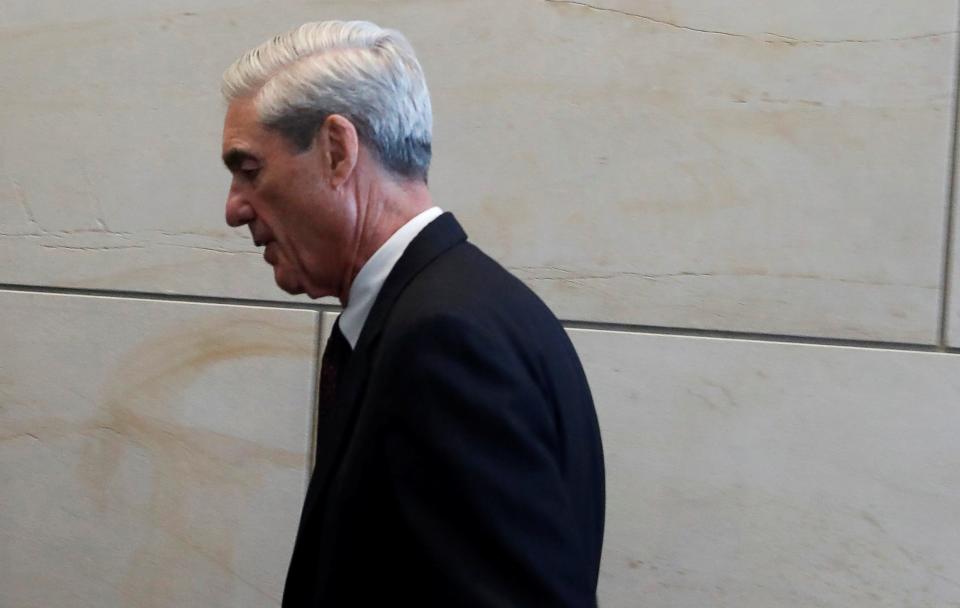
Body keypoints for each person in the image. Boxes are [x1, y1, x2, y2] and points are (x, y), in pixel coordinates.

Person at [220, 20, 605, 606]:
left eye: (250, 170)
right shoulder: (465, 307)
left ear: (336, 150)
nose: (234, 208)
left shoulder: (445, 341)